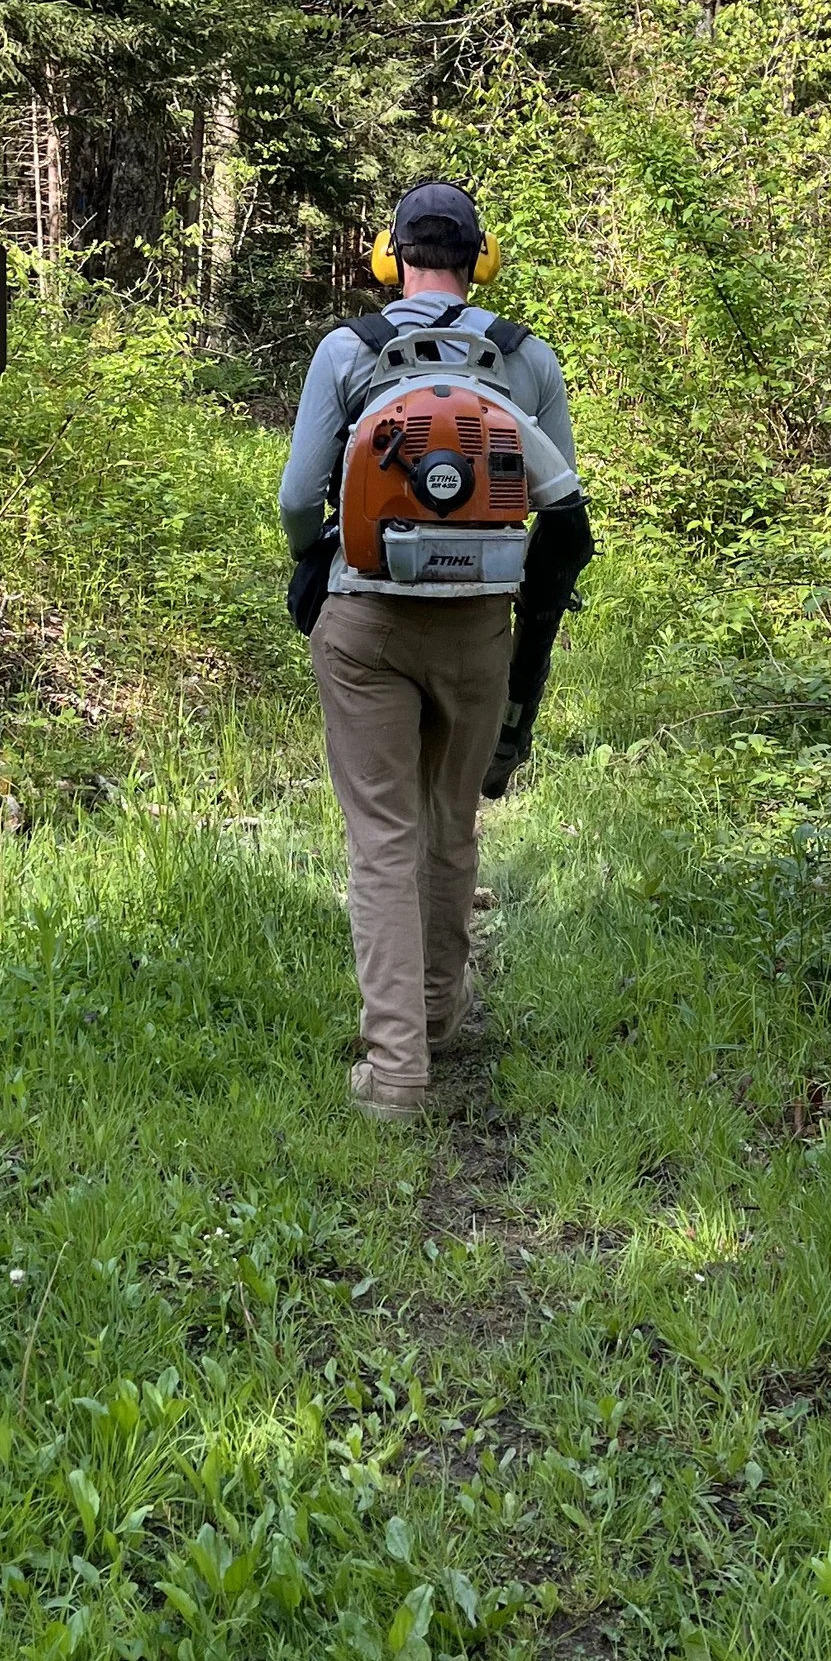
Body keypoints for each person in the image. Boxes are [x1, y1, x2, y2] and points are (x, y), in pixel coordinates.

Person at [279, 180, 591, 1121]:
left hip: (365, 623)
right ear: (480, 259)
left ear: (391, 256)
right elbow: (560, 504)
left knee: (382, 837)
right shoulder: (527, 357)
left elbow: (300, 496)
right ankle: (438, 1015)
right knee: (451, 823)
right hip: (479, 625)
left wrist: (311, 562)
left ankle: (396, 1071)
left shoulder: (349, 349)